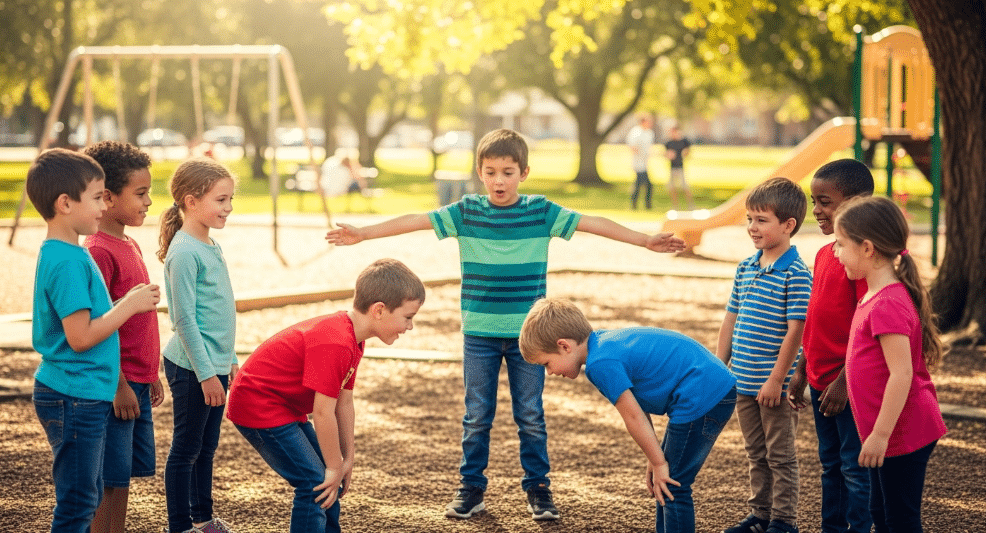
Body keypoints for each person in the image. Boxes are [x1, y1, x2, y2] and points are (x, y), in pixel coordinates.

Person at [325, 128, 686, 522]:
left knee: (530, 414)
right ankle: (471, 489)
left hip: (530, 340)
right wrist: (364, 233)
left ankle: (538, 489)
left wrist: (644, 240)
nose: (500, 180)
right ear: (480, 172)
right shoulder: (466, 212)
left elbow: (593, 223)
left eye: (509, 172)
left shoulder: (540, 211)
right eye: (492, 171)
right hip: (478, 335)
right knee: (476, 415)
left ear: (524, 173)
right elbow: (416, 221)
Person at [226, 258, 426, 533]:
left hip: (284, 406)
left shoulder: (354, 340)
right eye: (408, 317)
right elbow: (322, 412)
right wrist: (333, 466)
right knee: (315, 482)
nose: (410, 326)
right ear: (379, 310)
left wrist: (346, 459)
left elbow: (344, 403)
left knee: (328, 478)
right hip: (259, 404)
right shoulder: (337, 342)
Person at [25, 148, 160, 533]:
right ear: (65, 203)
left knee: (89, 491)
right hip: (73, 393)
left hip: (84, 391)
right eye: (98, 198)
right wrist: (129, 305)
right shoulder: (68, 260)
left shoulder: (69, 254)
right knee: (80, 499)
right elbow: (80, 337)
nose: (103, 207)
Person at [518, 298, 737, 532]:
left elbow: (632, 416)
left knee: (673, 484)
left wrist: (659, 461)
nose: (550, 372)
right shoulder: (605, 345)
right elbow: (640, 408)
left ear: (564, 346)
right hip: (710, 388)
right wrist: (655, 458)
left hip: (701, 394)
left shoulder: (599, 364)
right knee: (665, 480)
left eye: (546, 364)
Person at [833, 195, 946, 533]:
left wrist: (880, 435)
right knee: (880, 514)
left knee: (900, 520)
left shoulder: (888, 303)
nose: (835, 252)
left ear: (868, 248)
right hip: (887, 430)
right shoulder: (873, 294)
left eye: (840, 244)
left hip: (904, 430)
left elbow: (902, 374)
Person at [717, 177, 811, 533]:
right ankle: (761, 515)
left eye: (762, 220)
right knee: (756, 453)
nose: (752, 228)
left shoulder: (797, 274)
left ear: (788, 225)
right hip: (742, 381)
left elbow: (797, 332)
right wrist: (718, 368)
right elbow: (730, 320)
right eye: (749, 219)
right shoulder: (746, 267)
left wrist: (776, 380)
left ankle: (784, 522)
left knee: (780, 456)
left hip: (774, 386)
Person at [788, 159, 875, 533]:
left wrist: (843, 381)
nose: (816, 210)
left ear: (856, 202)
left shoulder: (862, 260)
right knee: (831, 465)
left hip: (850, 385)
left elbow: (866, 326)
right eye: (814, 200)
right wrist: (801, 373)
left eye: (825, 201)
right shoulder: (826, 254)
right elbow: (817, 321)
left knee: (855, 467)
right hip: (822, 381)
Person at [82, 141, 164, 533]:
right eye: (141, 193)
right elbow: (97, 326)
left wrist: (152, 373)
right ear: (108, 197)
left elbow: (138, 323)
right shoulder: (98, 250)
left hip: (137, 380)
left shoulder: (128, 242)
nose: (149, 201)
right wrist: (120, 384)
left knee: (122, 475)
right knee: (105, 483)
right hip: (116, 387)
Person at [157, 158, 238, 533]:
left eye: (230, 200)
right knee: (186, 451)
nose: (228, 208)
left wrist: (229, 359)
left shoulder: (209, 244)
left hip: (214, 365)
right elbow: (185, 320)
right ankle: (180, 527)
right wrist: (207, 374)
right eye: (221, 200)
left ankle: (203, 519)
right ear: (191, 201)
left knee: (206, 449)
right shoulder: (185, 251)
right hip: (192, 367)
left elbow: (217, 312)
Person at [627, 114, 655, 210]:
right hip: (638, 163)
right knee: (642, 185)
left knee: (643, 185)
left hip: (645, 163)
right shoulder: (635, 132)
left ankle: (643, 204)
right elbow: (632, 146)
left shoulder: (649, 133)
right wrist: (641, 153)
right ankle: (637, 204)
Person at [664, 124, 695, 210]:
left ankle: (690, 205)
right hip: (672, 168)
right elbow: (666, 154)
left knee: (685, 187)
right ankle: (675, 206)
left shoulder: (684, 141)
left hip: (680, 167)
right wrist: (668, 155)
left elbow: (688, 151)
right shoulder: (668, 143)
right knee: (672, 188)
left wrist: (686, 153)